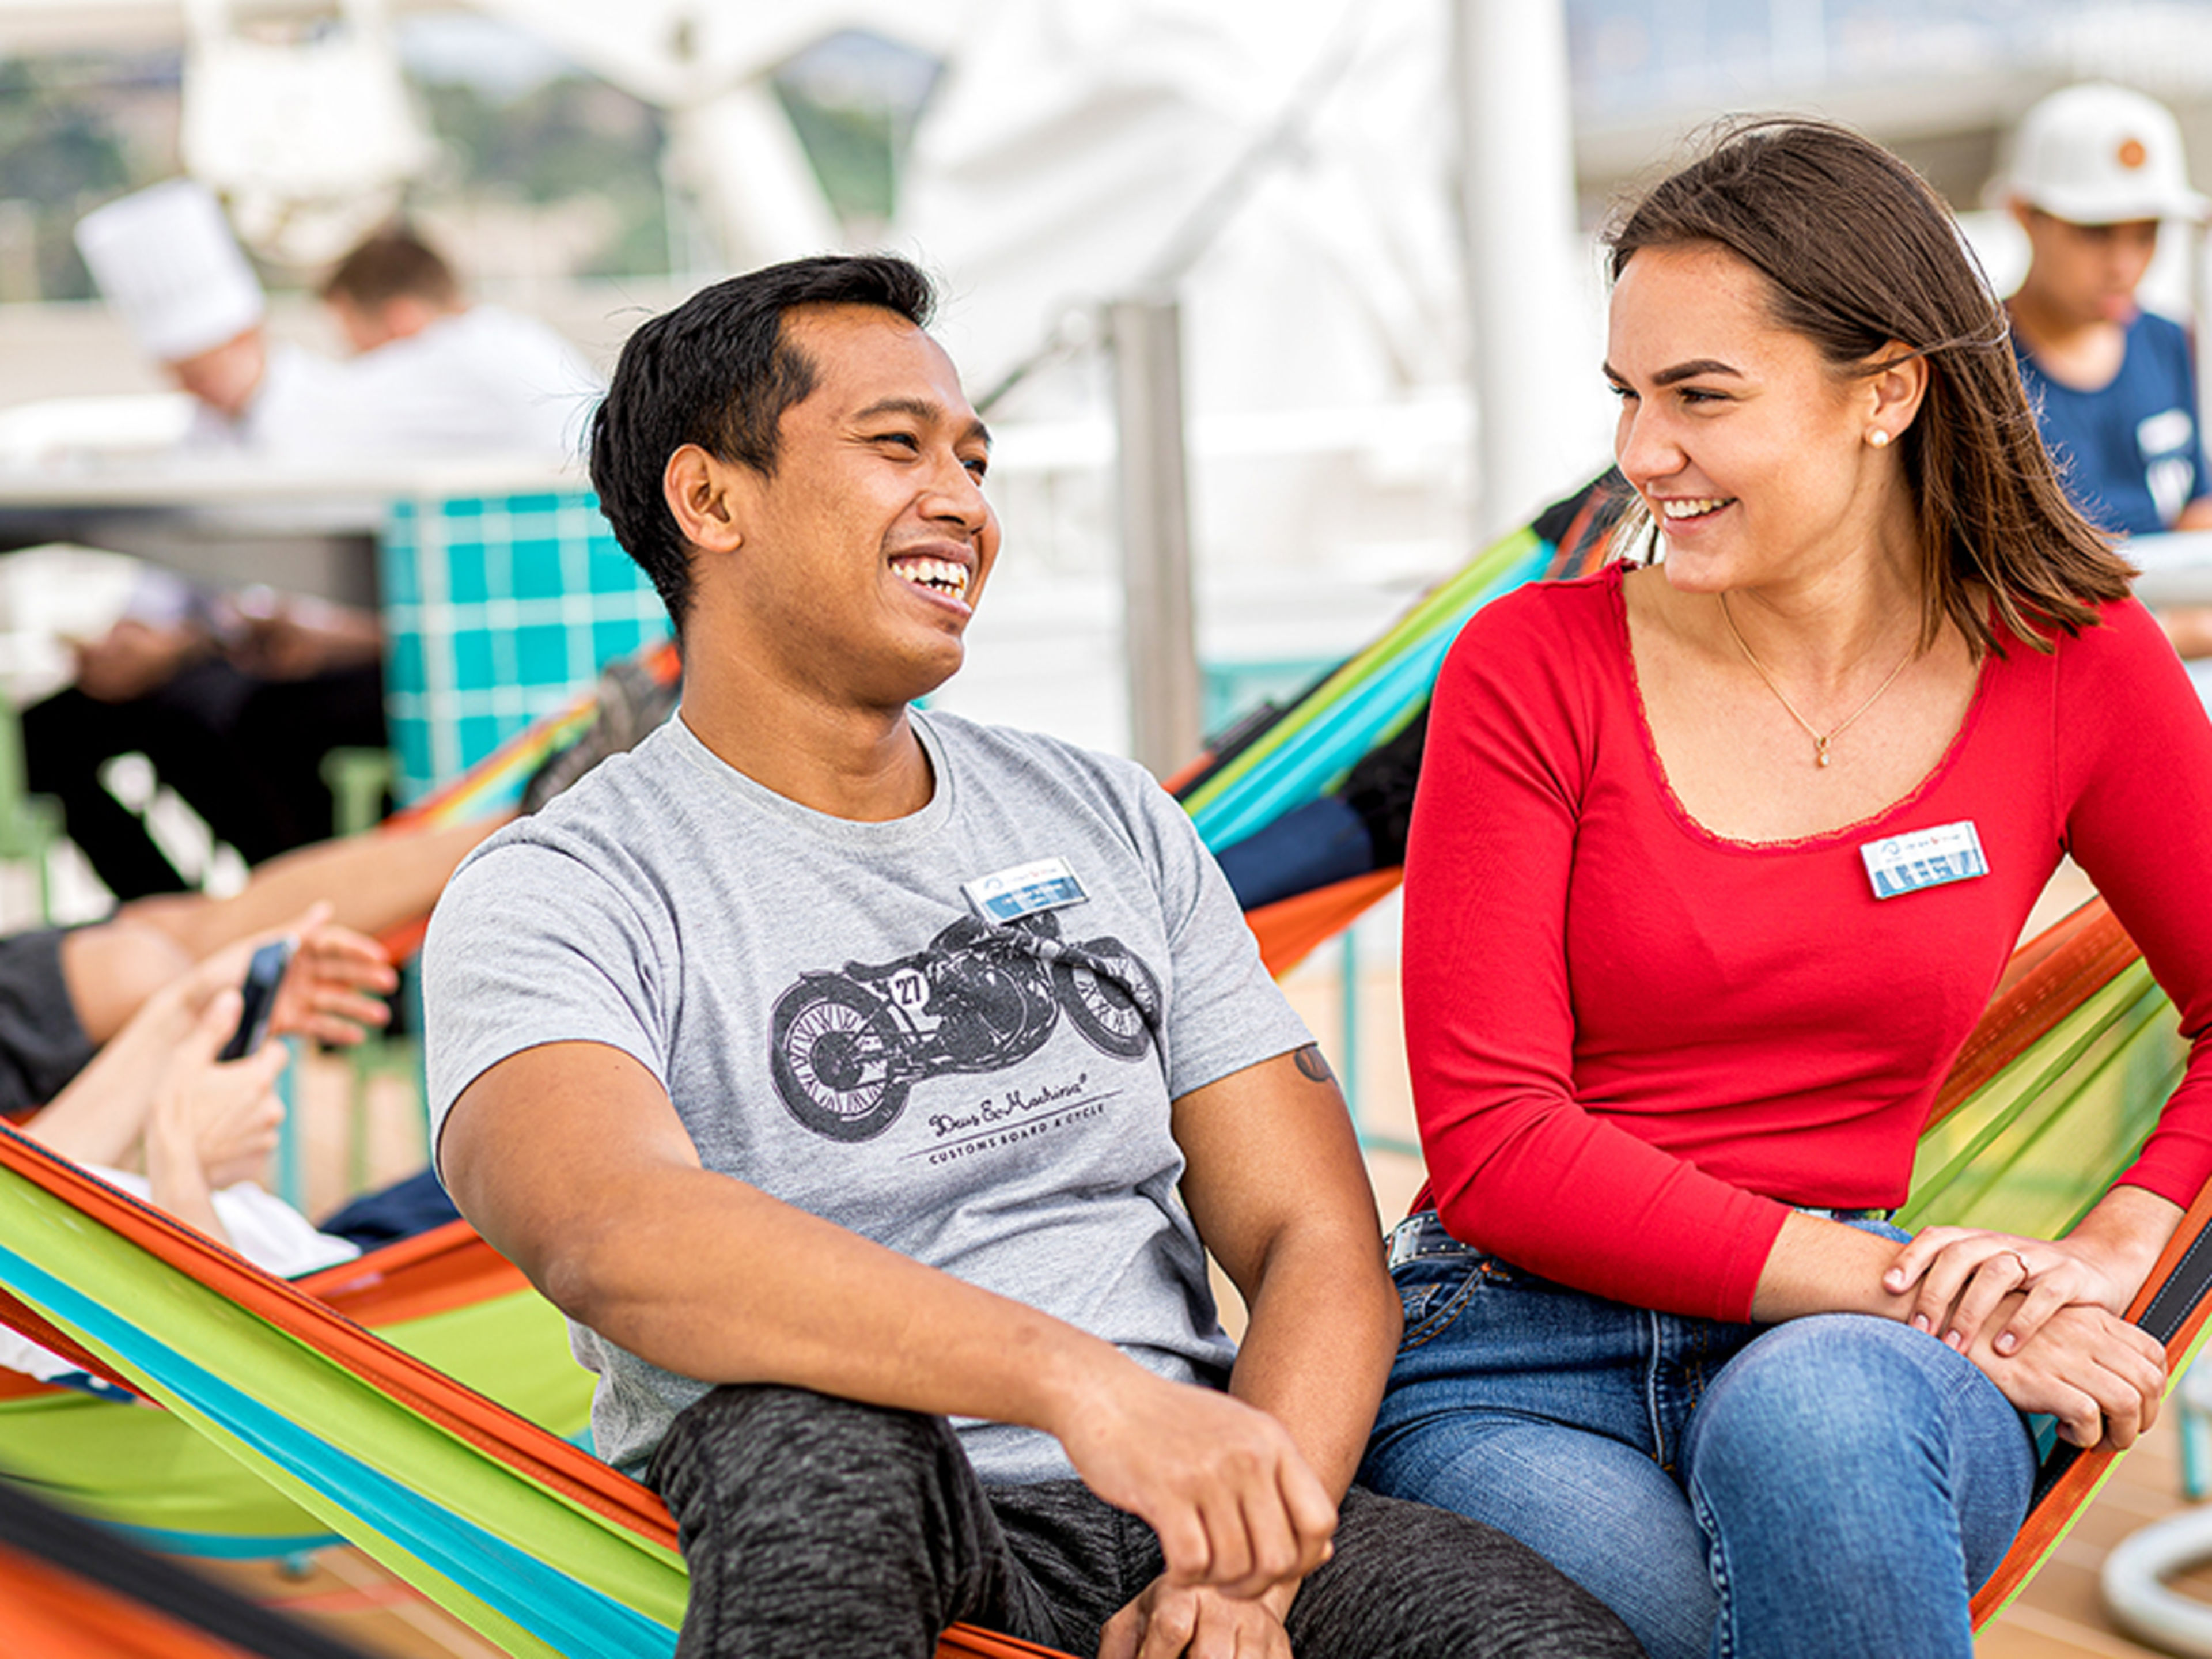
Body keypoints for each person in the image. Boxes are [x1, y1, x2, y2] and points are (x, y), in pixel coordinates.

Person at [422, 255, 1638, 1659]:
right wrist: (1078, 1387)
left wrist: (1241, 1557)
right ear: (709, 499)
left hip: (1182, 1492)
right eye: (897, 446)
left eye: (973, 459)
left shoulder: (1108, 814)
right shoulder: (565, 885)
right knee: (807, 1435)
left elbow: (1312, 1236)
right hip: (852, 1516)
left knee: (1536, 1640)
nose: (962, 504)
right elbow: (613, 1233)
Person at [1357, 119, 2208, 1659]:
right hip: (1519, 1357)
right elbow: (1493, 1145)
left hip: (1854, 1367)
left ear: (1888, 391)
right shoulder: (1534, 666)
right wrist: (1926, 1293)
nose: (1639, 457)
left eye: (1700, 398)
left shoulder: (2073, 663)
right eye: (1628, 397)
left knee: (1818, 1419)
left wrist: (2113, 1250)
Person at [35, 192, 601, 898]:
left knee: (234, 718)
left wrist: (186, 645)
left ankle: (293, 905)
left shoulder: (424, 379)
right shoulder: (444, 376)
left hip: (471, 661)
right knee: (60, 732)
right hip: (391, 646)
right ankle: (200, 916)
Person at [1999, 82, 2212, 665]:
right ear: (2025, 215)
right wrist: (2177, 630)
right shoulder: (1982, 369)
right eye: (2096, 233)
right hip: (2060, 668)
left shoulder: (2169, 340)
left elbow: (2196, 500)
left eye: (2145, 234)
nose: (2123, 265)